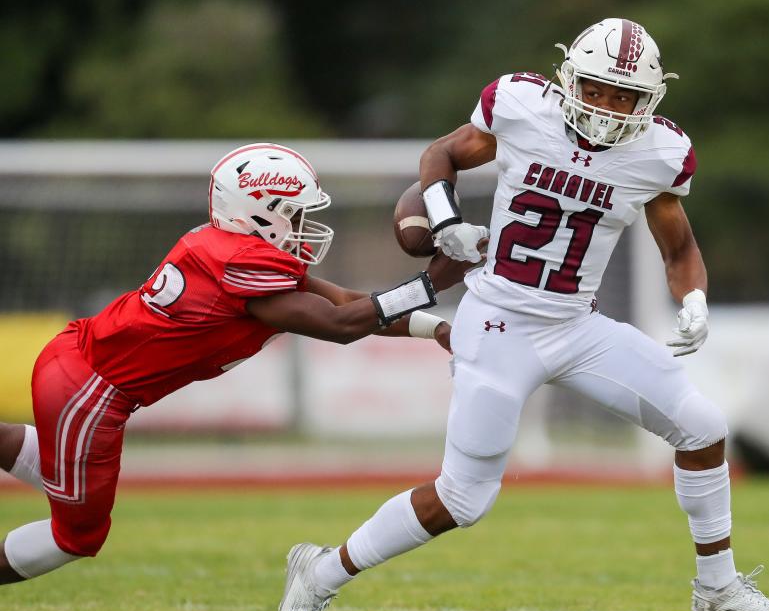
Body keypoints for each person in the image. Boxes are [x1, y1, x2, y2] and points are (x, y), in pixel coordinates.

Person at [279, 18, 769, 611]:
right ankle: (319, 574)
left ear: (650, 99)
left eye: (625, 96)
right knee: (463, 500)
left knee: (703, 425)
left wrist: (694, 298)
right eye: (598, 89)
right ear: (569, 80)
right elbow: (441, 154)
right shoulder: (523, 106)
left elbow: (679, 248)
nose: (608, 107)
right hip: (498, 322)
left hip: (576, 327)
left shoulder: (659, 153)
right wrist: (445, 218)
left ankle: (717, 588)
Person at [0, 142, 459, 586]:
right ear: (260, 211)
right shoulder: (242, 262)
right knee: (78, 535)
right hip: (89, 393)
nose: (302, 224)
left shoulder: (232, 248)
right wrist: (432, 280)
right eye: (293, 212)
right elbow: (340, 324)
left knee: (58, 468)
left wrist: (433, 328)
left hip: (74, 360)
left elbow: (346, 302)